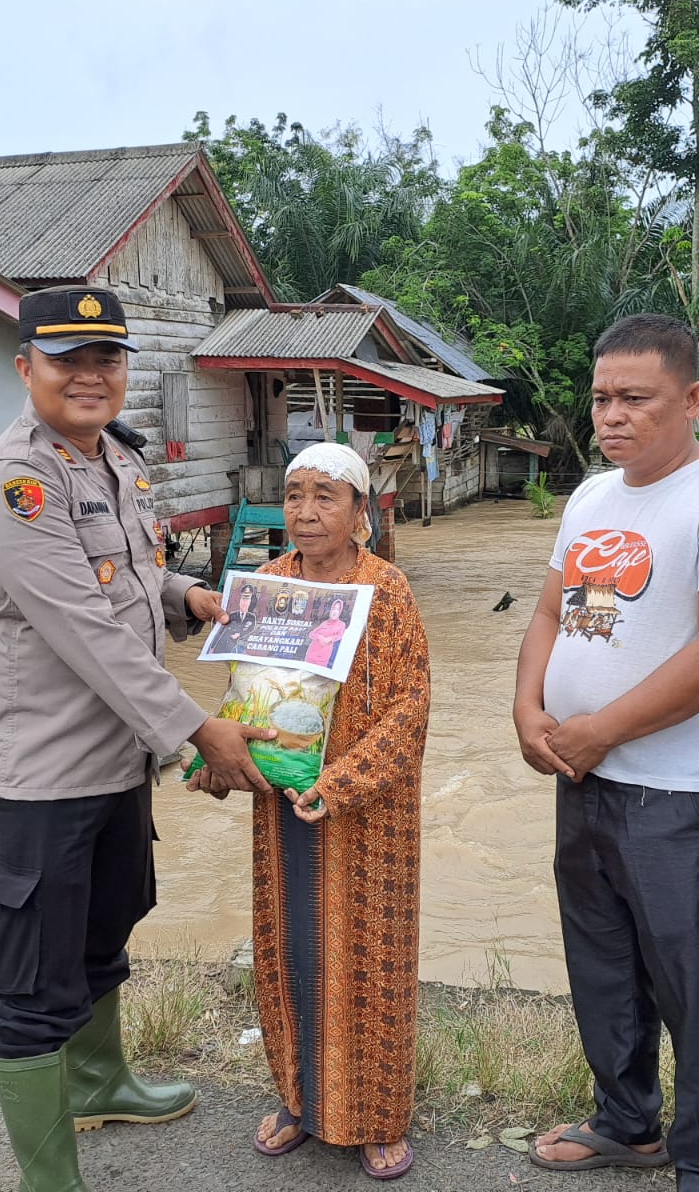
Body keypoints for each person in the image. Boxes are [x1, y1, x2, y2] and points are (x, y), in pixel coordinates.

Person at [0, 286, 276, 1192]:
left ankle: (99, 1081)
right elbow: (85, 631)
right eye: (68, 361)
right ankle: (49, 1180)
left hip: (114, 764)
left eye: (107, 359)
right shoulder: (12, 484)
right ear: (27, 370)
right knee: (26, 990)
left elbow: (130, 578)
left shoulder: (112, 463)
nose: (91, 377)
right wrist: (198, 731)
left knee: (103, 934)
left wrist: (190, 598)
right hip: (41, 775)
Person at [512, 315, 699, 1191]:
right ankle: (627, 1123)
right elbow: (553, 613)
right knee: (601, 965)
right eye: (602, 398)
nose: (613, 416)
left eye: (637, 398)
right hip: (583, 776)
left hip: (677, 793)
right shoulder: (593, 496)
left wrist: (598, 729)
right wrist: (529, 709)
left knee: (692, 986)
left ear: (693, 400)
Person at [189, 442, 431, 1181]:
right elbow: (247, 695)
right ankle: (298, 1099)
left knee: (371, 960)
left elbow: (409, 709)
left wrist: (343, 781)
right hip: (281, 805)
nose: (305, 510)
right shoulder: (264, 586)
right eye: (295, 494)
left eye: (326, 494)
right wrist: (221, 761)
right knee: (288, 951)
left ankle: (379, 1116)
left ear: (362, 511)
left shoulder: (386, 591)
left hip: (367, 819)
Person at [304, 596, 348, 667]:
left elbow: (340, 636)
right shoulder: (325, 622)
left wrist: (330, 639)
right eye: (334, 608)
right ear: (330, 609)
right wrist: (319, 637)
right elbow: (311, 634)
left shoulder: (341, 624)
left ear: (340, 612)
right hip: (311, 654)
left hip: (323, 656)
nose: (335, 611)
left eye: (338, 609)